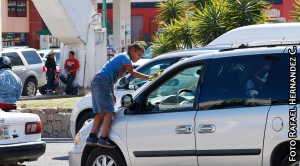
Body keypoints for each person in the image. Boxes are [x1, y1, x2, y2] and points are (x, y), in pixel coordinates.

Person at [86, 43, 150, 147]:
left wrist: (113, 94)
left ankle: (92, 137)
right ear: (132, 50)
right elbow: (132, 73)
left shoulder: (121, 58)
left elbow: (112, 80)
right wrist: (149, 77)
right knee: (109, 112)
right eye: (138, 55)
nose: (138, 59)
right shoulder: (125, 58)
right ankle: (103, 138)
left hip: (97, 81)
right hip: (103, 81)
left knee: (100, 112)